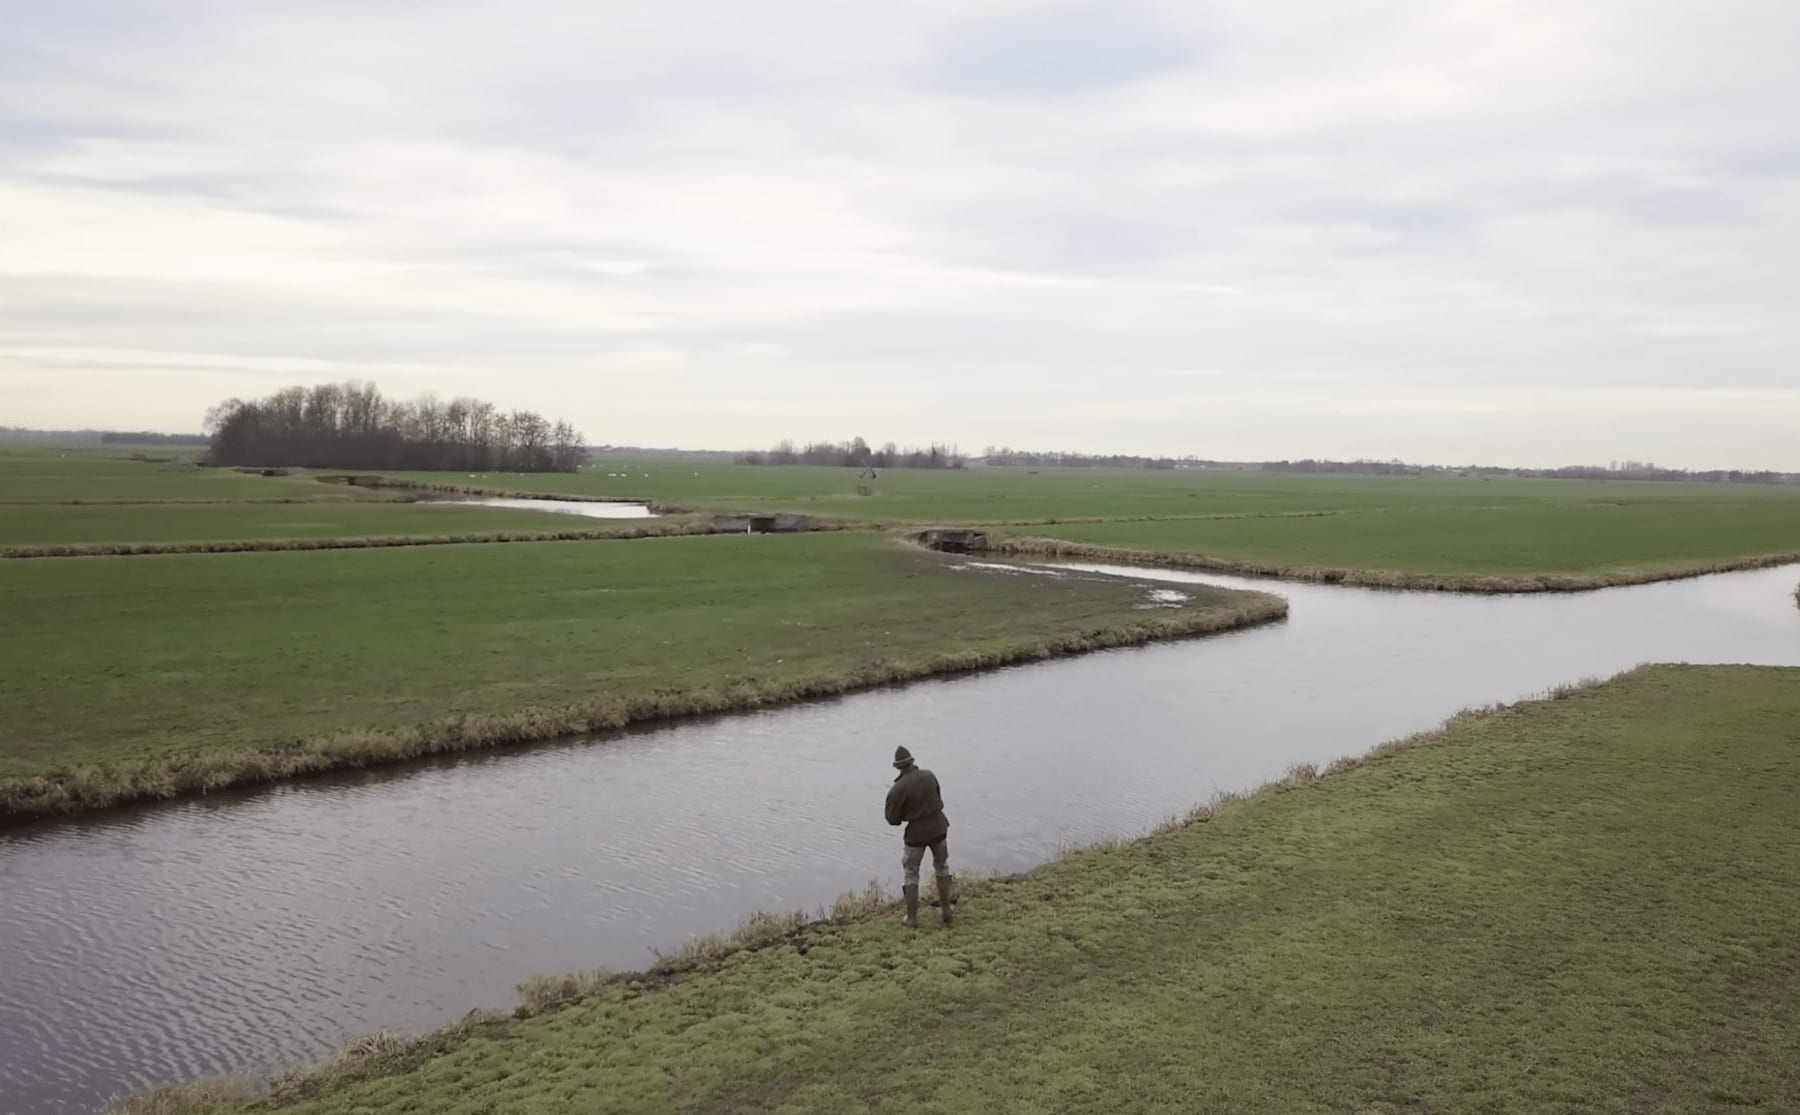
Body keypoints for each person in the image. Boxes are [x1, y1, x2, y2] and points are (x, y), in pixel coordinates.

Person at [885, 745, 954, 928]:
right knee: (942, 866)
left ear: (897, 766)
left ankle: (912, 918)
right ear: (912, 762)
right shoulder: (929, 775)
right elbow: (939, 797)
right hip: (939, 827)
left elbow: (892, 820)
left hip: (915, 834)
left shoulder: (896, 789)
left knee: (911, 873)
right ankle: (946, 910)